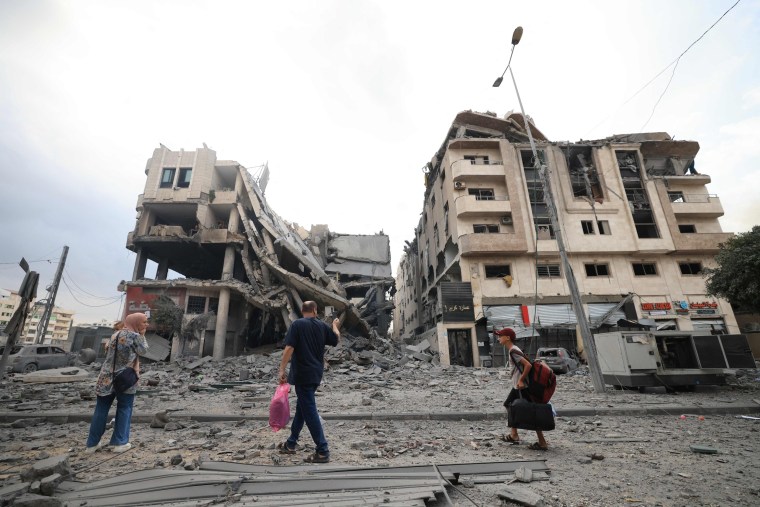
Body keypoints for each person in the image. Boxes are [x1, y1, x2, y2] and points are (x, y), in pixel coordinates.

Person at [277, 301, 340, 463]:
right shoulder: (322, 326)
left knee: (309, 410)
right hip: (315, 375)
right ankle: (291, 443)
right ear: (315, 310)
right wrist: (334, 325)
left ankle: (322, 450)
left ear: (302, 310)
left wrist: (282, 369)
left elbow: (289, 348)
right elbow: (336, 339)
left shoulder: (297, 324)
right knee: (302, 408)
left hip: (302, 375)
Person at [85, 313, 149, 453]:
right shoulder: (134, 337)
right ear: (136, 323)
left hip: (106, 376)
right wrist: (142, 335)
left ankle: (92, 444)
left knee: (101, 409)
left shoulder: (115, 335)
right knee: (125, 408)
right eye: (144, 322)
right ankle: (119, 443)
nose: (146, 324)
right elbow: (143, 350)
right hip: (125, 378)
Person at [496, 327, 548, 451]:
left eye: (500, 336)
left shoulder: (513, 350)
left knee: (531, 411)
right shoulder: (513, 350)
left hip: (522, 387)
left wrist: (520, 380)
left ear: (507, 338)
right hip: (518, 387)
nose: (498, 338)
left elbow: (528, 365)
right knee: (509, 405)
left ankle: (542, 442)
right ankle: (514, 434)